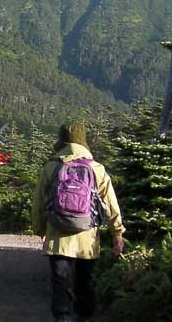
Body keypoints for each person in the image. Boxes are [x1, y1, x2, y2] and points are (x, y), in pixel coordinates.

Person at [31, 122, 125, 322]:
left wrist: (40, 230)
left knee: (60, 282)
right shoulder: (97, 169)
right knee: (84, 281)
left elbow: (38, 203)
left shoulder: (51, 167)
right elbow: (111, 204)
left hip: (57, 235)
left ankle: (63, 317)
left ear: (62, 141)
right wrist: (117, 233)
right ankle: (84, 316)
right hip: (87, 237)